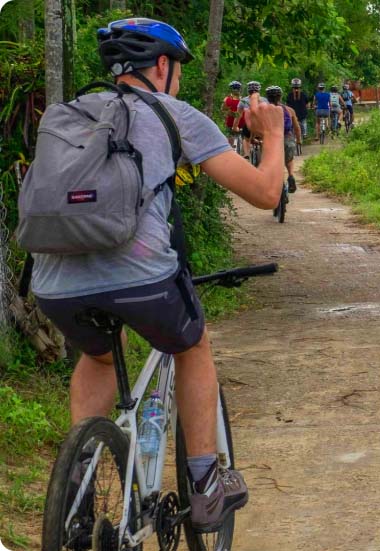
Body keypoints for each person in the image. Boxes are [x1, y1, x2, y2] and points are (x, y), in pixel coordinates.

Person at [32, 17, 284, 533]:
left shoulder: (63, 116)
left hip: (52, 283)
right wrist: (275, 133)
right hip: (141, 276)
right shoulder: (176, 115)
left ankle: (78, 493)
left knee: (98, 356)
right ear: (163, 66)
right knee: (193, 346)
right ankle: (207, 487)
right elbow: (264, 193)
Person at [264, 85, 302, 192]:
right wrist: (298, 140)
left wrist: (253, 138)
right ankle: (290, 175)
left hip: (271, 139)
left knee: (268, 159)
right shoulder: (289, 110)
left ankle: (270, 180)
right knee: (289, 158)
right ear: (280, 97)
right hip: (287, 138)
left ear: (267, 98)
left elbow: (258, 127)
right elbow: (296, 127)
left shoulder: (265, 110)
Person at [221, 81, 243, 150]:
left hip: (230, 122)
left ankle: (230, 149)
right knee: (246, 138)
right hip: (241, 122)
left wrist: (229, 113)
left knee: (229, 135)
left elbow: (223, 109)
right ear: (239, 89)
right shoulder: (243, 99)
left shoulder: (227, 99)